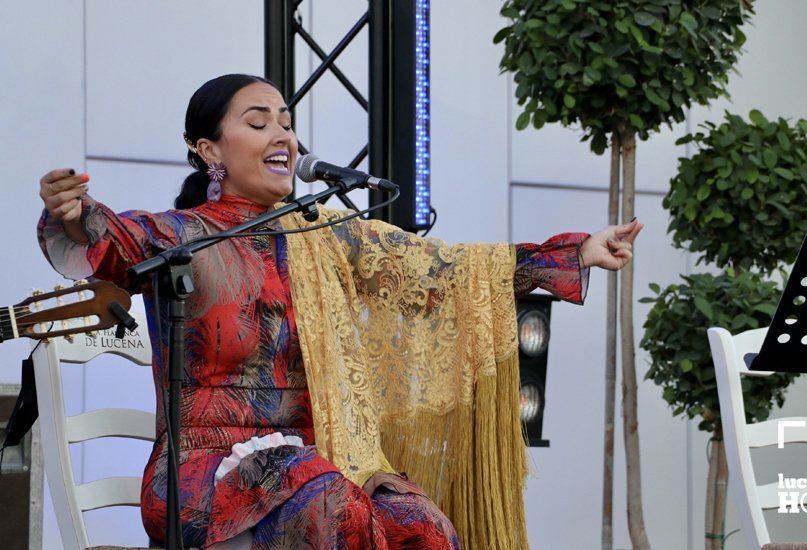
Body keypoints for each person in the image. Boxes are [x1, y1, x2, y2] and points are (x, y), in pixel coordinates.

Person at [37, 74, 642, 549]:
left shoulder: (324, 237)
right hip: (204, 475)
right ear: (207, 150)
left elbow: (437, 269)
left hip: (319, 462)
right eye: (258, 122)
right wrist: (71, 214)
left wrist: (575, 253)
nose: (283, 136)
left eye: (287, 123)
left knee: (420, 523)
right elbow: (110, 241)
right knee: (331, 504)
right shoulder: (180, 234)